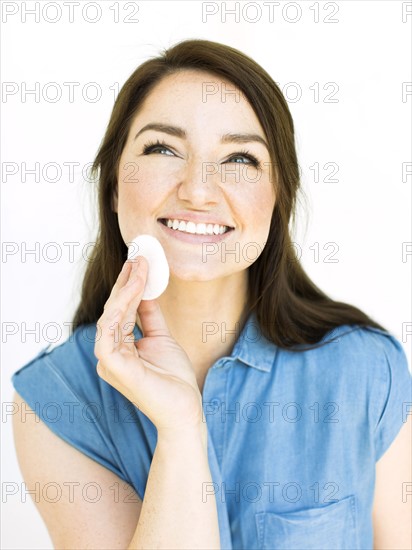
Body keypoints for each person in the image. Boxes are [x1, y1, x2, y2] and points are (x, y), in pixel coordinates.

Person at [11, 39, 411, 550]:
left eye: (240, 158)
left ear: (277, 197)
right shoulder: (57, 401)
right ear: (114, 185)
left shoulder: (366, 371)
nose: (198, 190)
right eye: (163, 149)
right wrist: (180, 430)